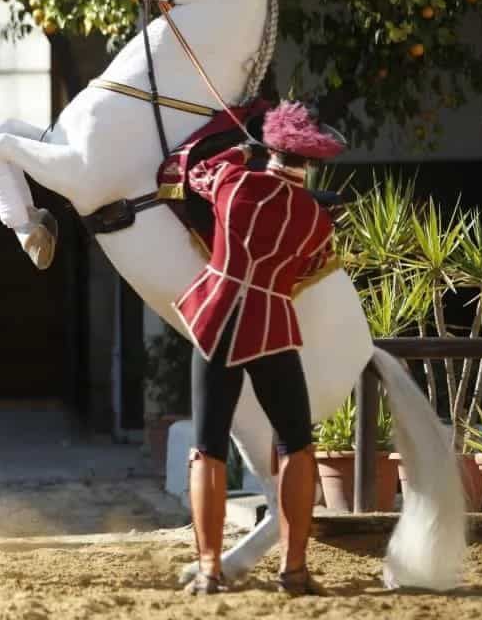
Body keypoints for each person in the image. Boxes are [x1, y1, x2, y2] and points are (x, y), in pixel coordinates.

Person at [173, 101, 345, 596]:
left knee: (208, 444)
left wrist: (238, 146)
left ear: (269, 148)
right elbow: (313, 264)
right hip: (272, 327)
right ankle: (293, 569)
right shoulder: (317, 218)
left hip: (217, 320)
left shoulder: (236, 183)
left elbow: (190, 166)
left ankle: (208, 569)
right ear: (309, 162)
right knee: (296, 443)